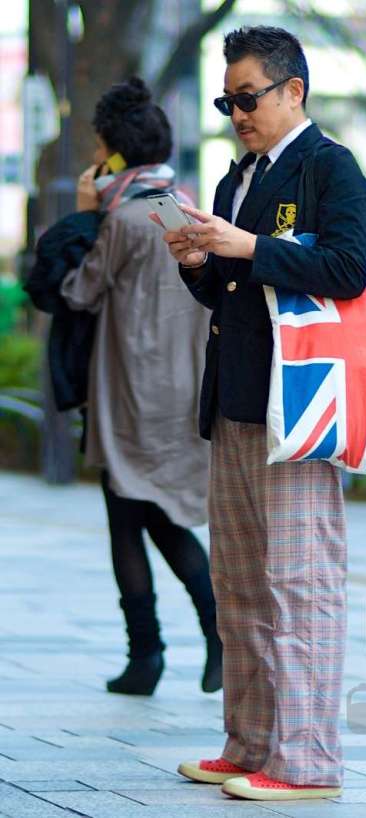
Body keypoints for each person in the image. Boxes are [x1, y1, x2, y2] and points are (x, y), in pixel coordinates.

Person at [163, 27, 366, 800]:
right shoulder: (237, 178)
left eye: (245, 97)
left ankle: (308, 761)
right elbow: (231, 290)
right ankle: (249, 742)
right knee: (243, 586)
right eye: (226, 100)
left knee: (301, 584)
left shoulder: (331, 167)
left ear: (294, 91)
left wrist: (247, 245)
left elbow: (348, 269)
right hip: (236, 403)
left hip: (300, 411)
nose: (234, 112)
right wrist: (198, 262)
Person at [60, 77, 222, 696]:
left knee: (133, 517)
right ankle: (171, 649)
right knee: (148, 513)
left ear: (115, 152)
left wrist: (84, 213)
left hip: (130, 394)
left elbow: (79, 291)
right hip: (186, 391)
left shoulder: (123, 219)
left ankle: (160, 650)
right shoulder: (189, 208)